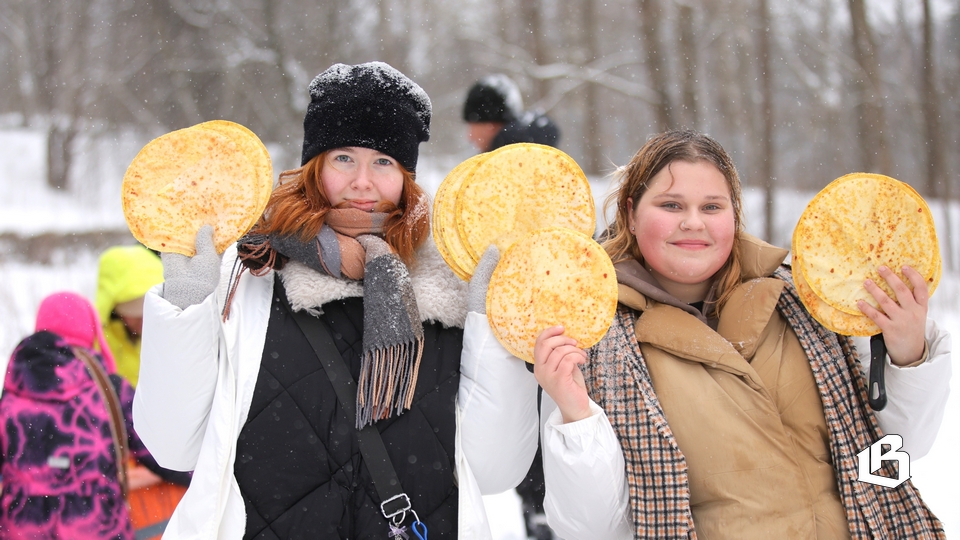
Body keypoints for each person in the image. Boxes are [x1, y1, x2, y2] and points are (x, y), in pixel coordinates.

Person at [459, 129, 951, 538]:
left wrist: (907, 353)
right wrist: (574, 411)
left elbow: (897, 454)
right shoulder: (589, 335)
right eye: (671, 205)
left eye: (712, 207)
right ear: (631, 213)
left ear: (734, 215)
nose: (693, 223)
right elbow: (592, 528)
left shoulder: (809, 305)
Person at [133, 61, 494, 539]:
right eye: (344, 157)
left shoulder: (445, 287)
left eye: (383, 162)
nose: (363, 181)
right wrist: (185, 309)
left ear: (407, 178)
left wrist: (490, 324)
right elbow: (171, 446)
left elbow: (495, 468)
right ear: (314, 166)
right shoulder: (251, 272)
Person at [461, 72, 564, 540]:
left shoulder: (503, 164)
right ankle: (548, 505)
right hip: (556, 293)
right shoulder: (543, 153)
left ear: (492, 122)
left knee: (527, 401)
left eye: (474, 123)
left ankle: (540, 507)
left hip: (521, 301)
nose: (468, 134)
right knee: (553, 398)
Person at [0, 291, 190, 539]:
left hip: (21, 531)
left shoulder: (13, 391)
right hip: (96, 529)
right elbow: (162, 455)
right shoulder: (109, 389)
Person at [95, 244, 164, 387]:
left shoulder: (171, 337)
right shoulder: (96, 345)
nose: (143, 320)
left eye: (149, 312)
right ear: (113, 308)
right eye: (134, 312)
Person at [463, 73, 560, 153]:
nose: (470, 136)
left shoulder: (506, 166)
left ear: (490, 125)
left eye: (472, 126)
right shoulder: (537, 156)